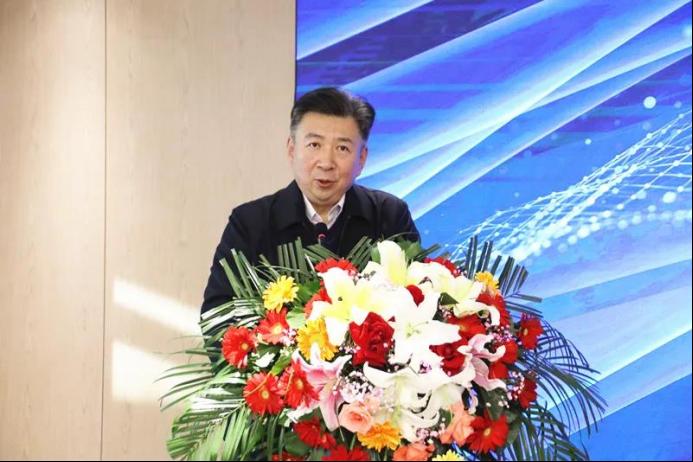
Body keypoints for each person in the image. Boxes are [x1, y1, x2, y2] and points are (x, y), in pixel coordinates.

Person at [201, 87, 419, 315]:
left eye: (342, 148)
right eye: (314, 145)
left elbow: (418, 299)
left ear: (362, 159)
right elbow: (217, 315)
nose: (326, 162)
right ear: (291, 149)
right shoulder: (250, 223)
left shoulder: (389, 215)